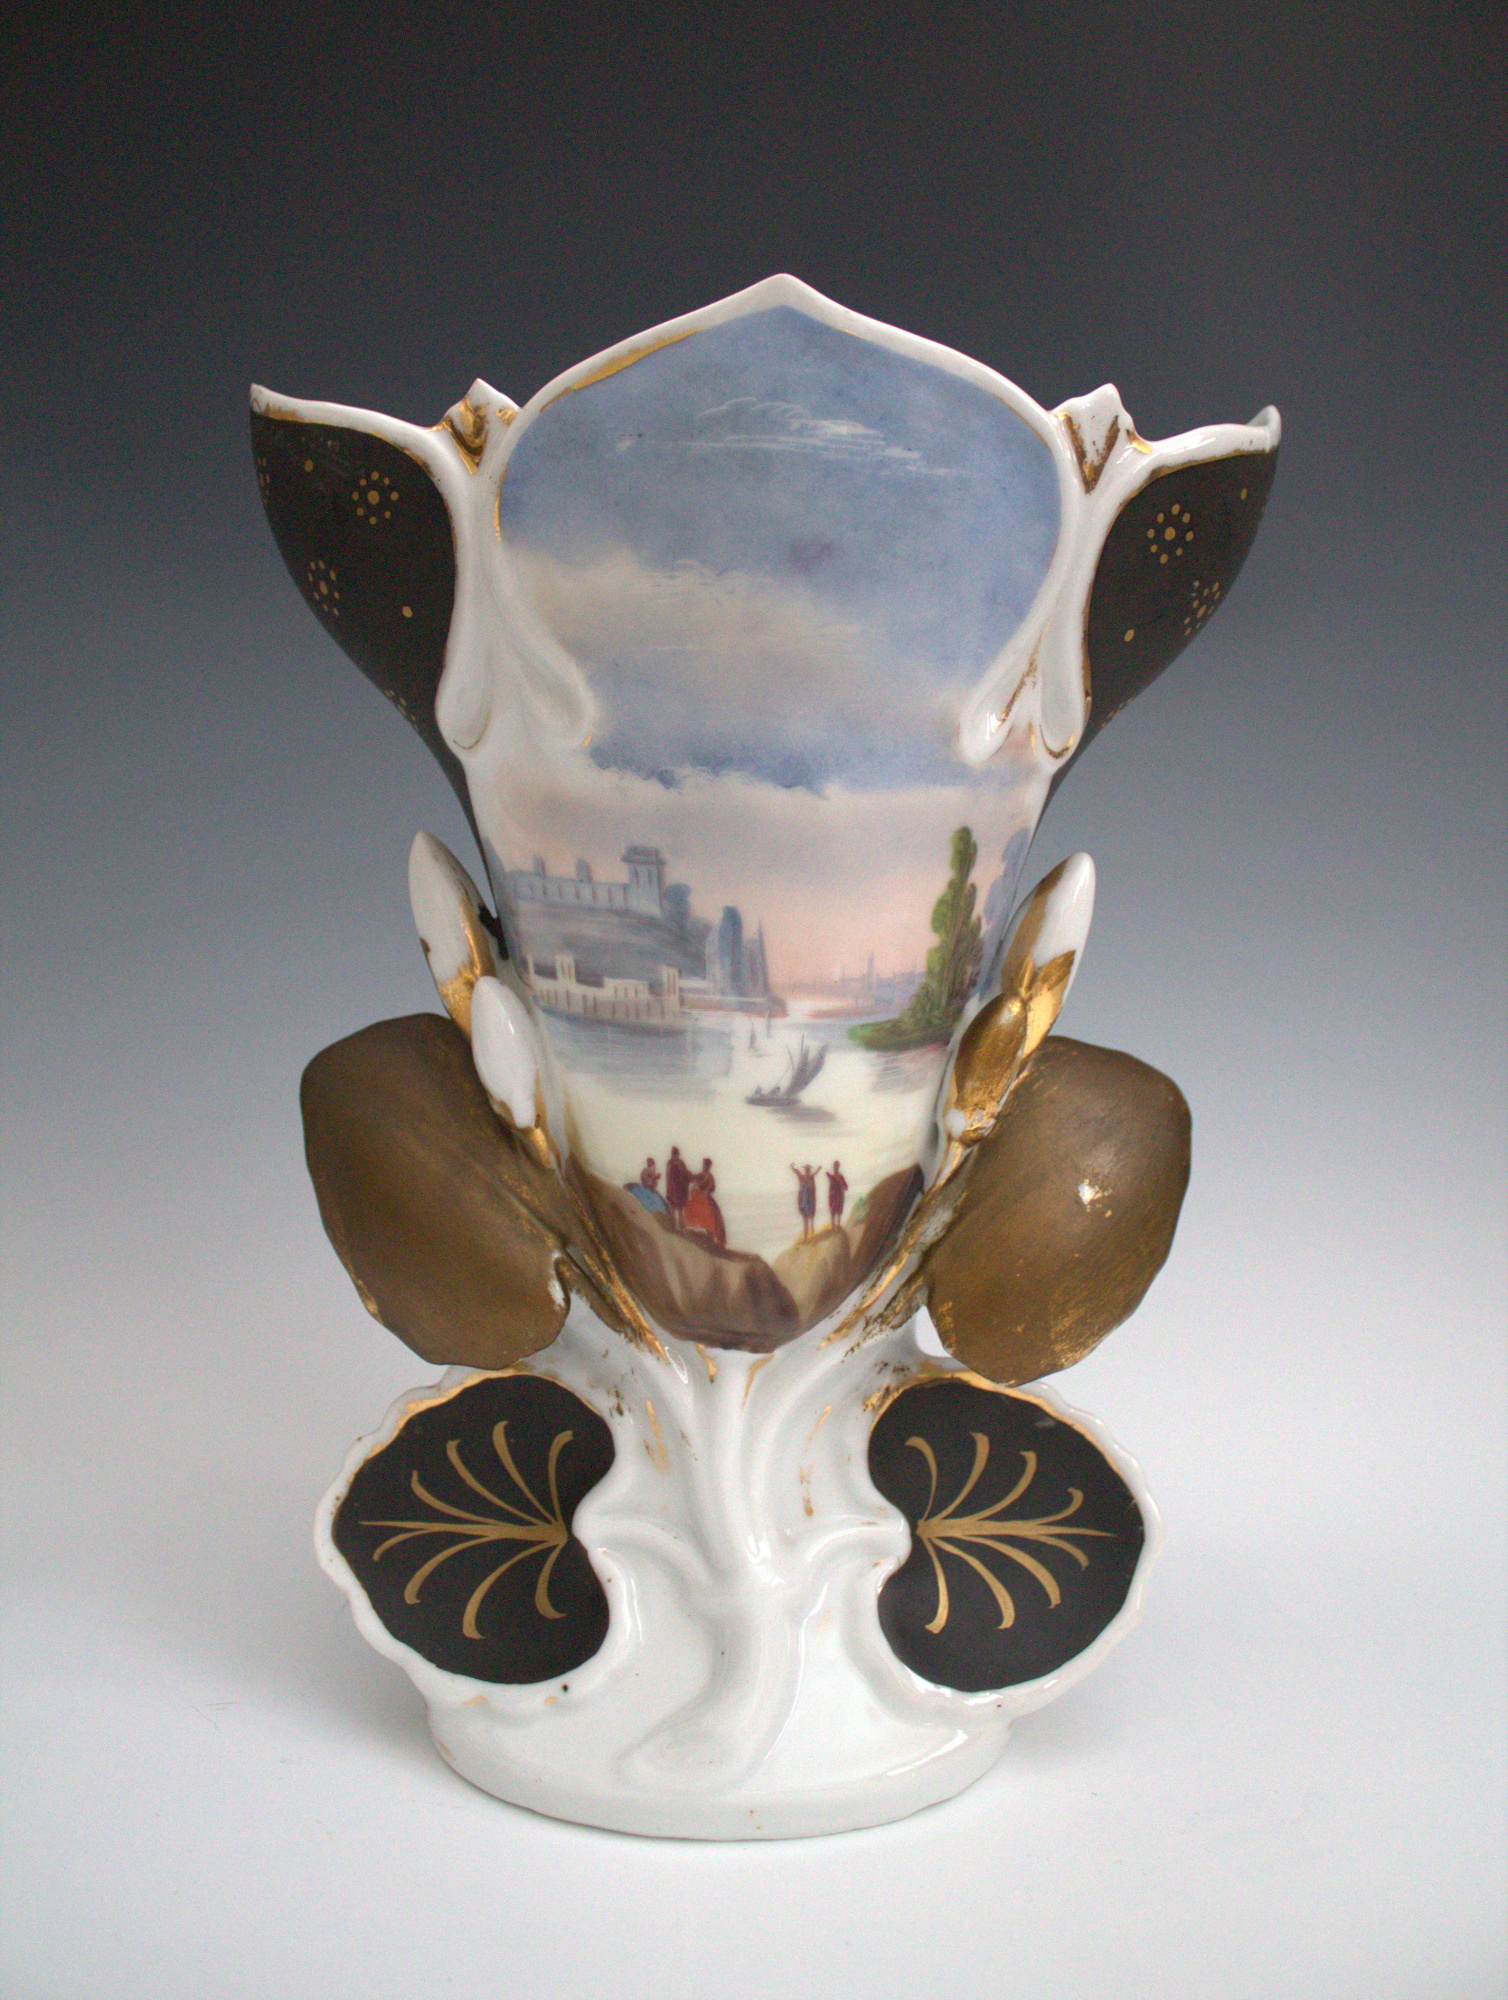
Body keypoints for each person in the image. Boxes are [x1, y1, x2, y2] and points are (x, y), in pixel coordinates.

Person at [683, 1157, 727, 1249]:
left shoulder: (704, 1175)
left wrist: (703, 1189)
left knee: (708, 1218)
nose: (704, 1166)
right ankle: (708, 1237)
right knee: (710, 1218)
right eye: (704, 1165)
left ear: (707, 1166)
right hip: (704, 1197)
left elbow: (693, 1179)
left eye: (705, 1165)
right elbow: (712, 1188)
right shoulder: (708, 1175)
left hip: (702, 1198)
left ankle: (710, 1238)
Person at [791, 1162, 818, 1241]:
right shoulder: (802, 1177)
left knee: (811, 1218)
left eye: (808, 1169)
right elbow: (797, 1172)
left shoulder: (811, 1178)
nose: (807, 1171)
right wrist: (793, 1168)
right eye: (806, 1169)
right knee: (805, 1219)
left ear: (809, 1170)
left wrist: (818, 1169)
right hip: (804, 1201)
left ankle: (811, 1236)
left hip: (810, 1201)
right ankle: (806, 1237)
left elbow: (815, 1175)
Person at [665, 1146, 690, 1229]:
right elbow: (668, 1177)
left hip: (678, 1189)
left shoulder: (677, 1163)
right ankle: (674, 1227)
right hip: (675, 1189)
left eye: (674, 1154)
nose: (674, 1155)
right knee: (675, 1209)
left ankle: (678, 1227)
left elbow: (685, 1175)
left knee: (678, 1209)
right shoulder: (674, 1163)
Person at [826, 1160, 848, 1229]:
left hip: (839, 1196)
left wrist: (840, 1182)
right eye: (835, 1166)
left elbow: (846, 1187)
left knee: (838, 1211)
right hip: (833, 1196)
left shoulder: (840, 1176)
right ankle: (833, 1226)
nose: (835, 1167)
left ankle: (838, 1225)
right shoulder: (832, 1176)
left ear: (838, 1167)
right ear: (833, 1167)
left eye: (837, 1166)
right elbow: (831, 1186)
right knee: (832, 1211)